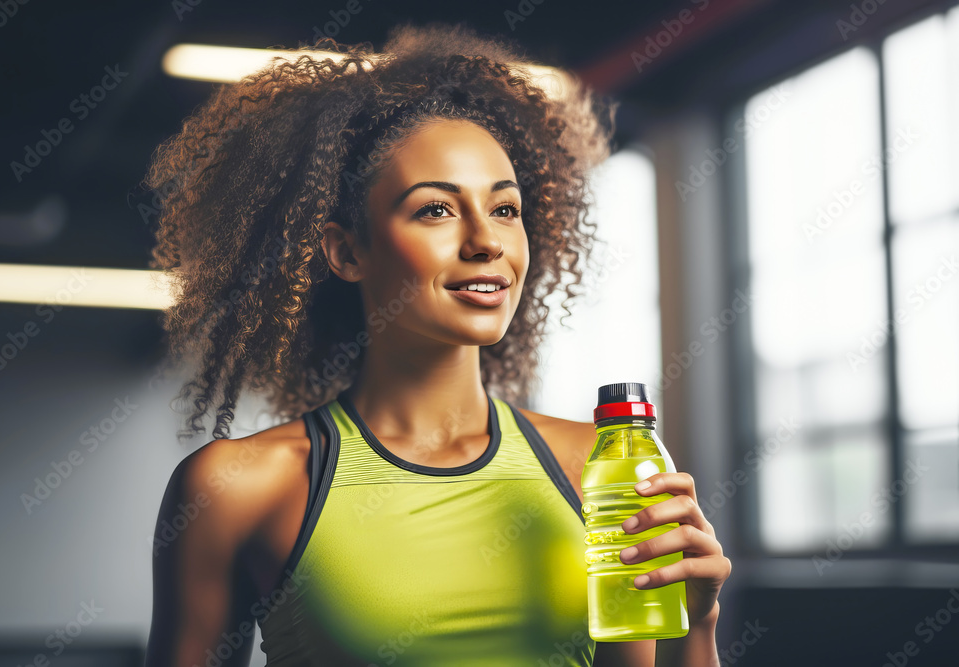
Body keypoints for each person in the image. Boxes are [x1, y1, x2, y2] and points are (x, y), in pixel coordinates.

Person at [141, 21, 730, 667]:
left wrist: (695, 625)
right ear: (347, 250)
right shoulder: (236, 487)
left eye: (505, 209)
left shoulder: (600, 468)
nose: (487, 241)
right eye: (436, 210)